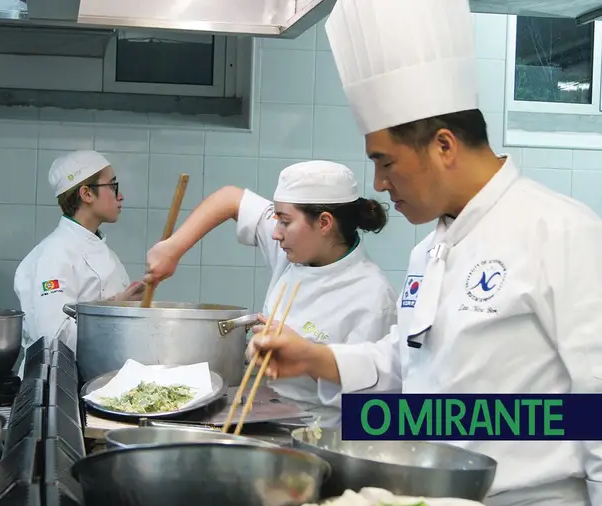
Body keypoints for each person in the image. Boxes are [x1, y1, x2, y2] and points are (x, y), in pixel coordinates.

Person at [247, 1, 602, 504]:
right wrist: (314, 358)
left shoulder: (564, 233)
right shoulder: (430, 250)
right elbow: (408, 365)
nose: (379, 183)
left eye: (386, 161)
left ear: (443, 145)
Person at [144, 160, 398, 425]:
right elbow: (231, 198)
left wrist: (305, 356)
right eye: (276, 219)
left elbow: (374, 410)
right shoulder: (296, 248)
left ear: (324, 223)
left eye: (285, 222)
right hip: (263, 412)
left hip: (318, 433)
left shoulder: (373, 297)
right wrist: (174, 247)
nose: (275, 234)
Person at [14, 150, 144, 366]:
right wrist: (112, 314)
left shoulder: (105, 252)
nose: (120, 196)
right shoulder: (54, 254)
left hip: (94, 376)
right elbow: (55, 338)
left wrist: (121, 306)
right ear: (86, 194)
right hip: (58, 387)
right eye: (112, 186)